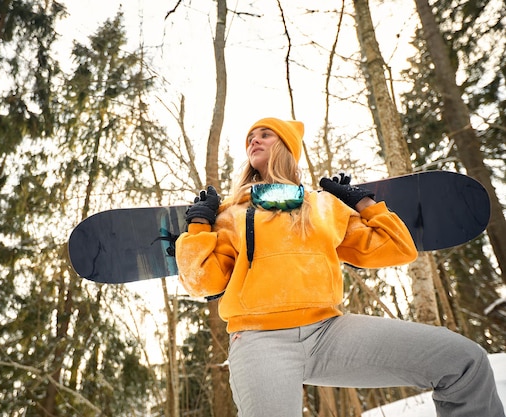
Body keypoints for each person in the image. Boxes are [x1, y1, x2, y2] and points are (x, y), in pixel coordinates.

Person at [175, 117, 505, 417]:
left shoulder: (324, 205)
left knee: (464, 363)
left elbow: (397, 248)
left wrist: (361, 202)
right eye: (250, 138)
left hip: (329, 332)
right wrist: (200, 226)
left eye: (265, 135)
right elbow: (203, 281)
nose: (254, 142)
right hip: (260, 342)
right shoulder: (231, 212)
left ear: (288, 148)